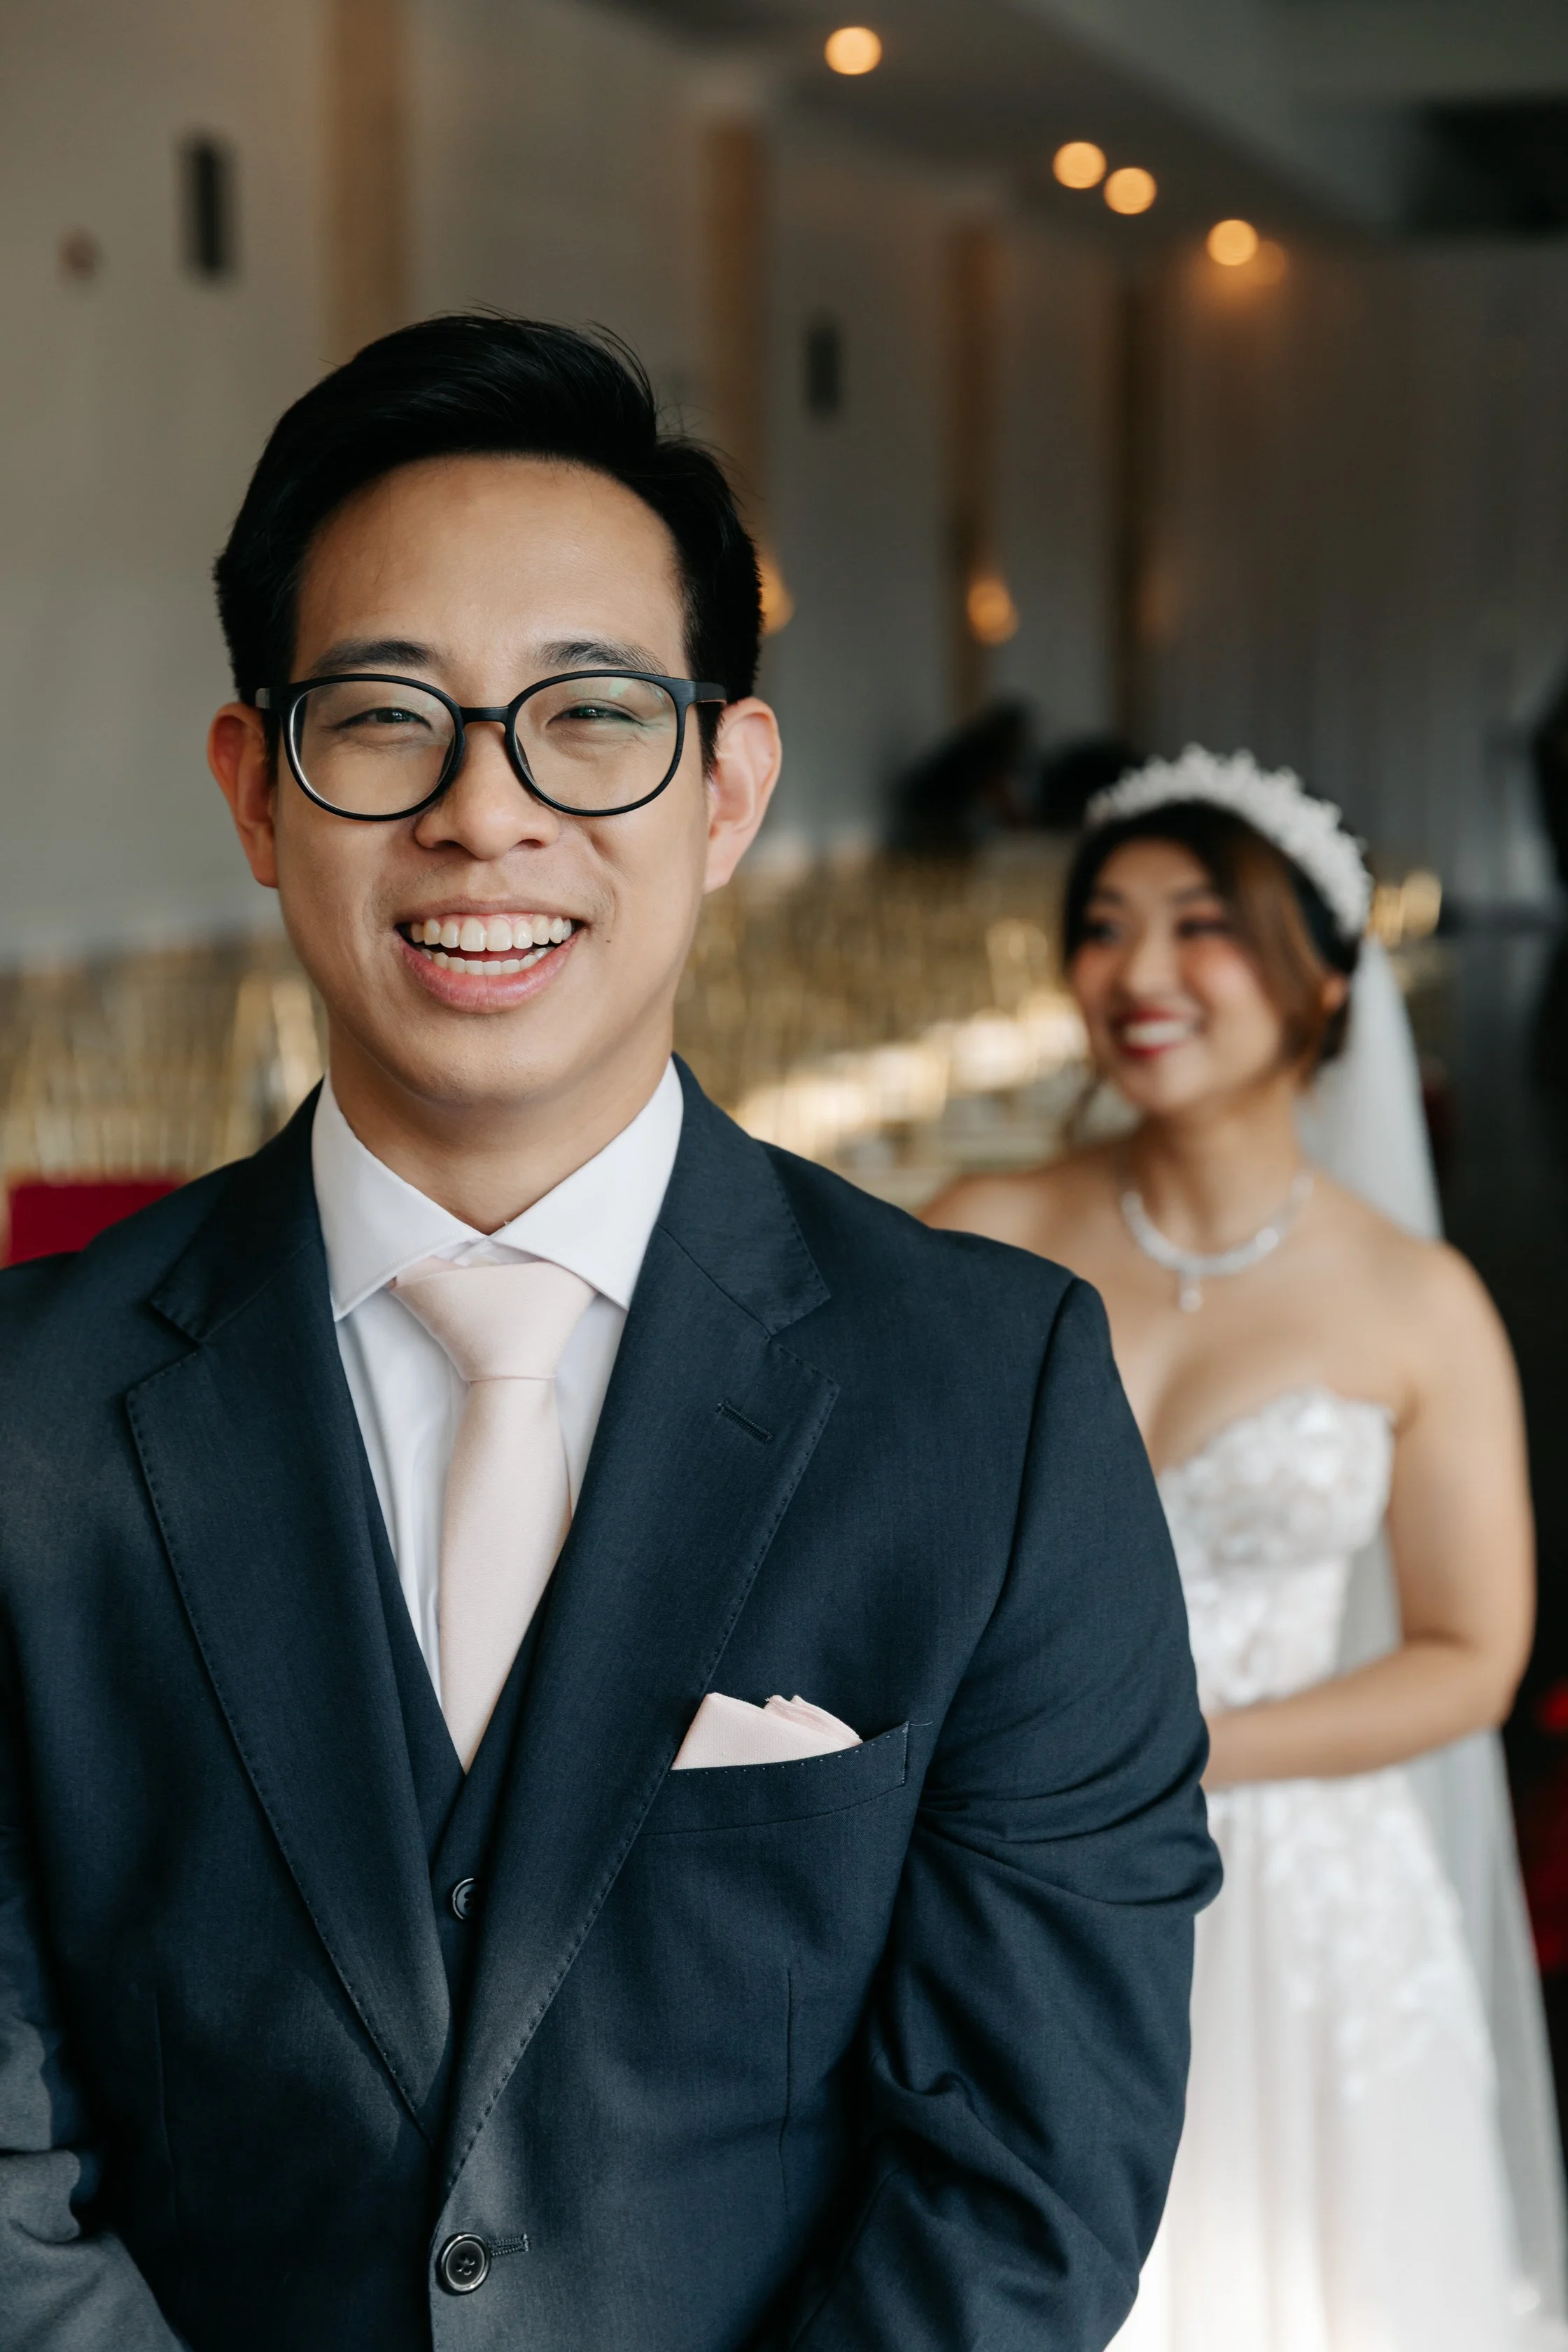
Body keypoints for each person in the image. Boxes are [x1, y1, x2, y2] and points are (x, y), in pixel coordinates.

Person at [0, 317, 1219, 2351]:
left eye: (590, 718)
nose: (489, 816)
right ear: (253, 787)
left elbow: (1027, 2174)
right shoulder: (31, 1409)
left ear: (728, 787)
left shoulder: (986, 1400)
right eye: (385, 719)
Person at [928, 746, 1563, 2350]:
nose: (1136, 971)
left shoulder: (1417, 1304)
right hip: (1003, 1869)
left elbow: (1468, 1658)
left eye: (1199, 923)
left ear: (1322, 985)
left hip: (1293, 1887)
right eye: (1103, 924)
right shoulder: (973, 1232)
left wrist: (1176, 1755)